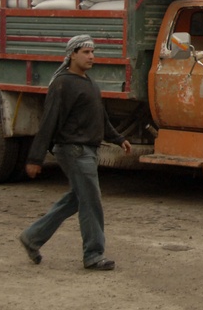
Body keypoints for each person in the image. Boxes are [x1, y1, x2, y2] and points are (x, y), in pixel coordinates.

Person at [19, 35, 132, 270]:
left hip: (87, 150)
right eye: (85, 52)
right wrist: (35, 158)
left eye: (93, 52)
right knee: (91, 201)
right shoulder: (62, 83)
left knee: (76, 199)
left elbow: (99, 117)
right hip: (74, 150)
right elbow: (48, 120)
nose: (91, 56)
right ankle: (93, 254)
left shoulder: (87, 82)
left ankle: (32, 237)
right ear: (72, 54)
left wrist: (119, 138)